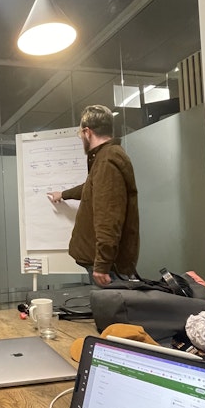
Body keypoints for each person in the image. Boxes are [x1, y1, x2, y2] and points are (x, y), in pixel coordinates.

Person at [48, 104, 139, 286]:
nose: (81, 137)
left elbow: (108, 217)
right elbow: (92, 188)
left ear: (87, 132)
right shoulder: (107, 157)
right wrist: (63, 194)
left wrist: (102, 264)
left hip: (108, 268)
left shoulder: (107, 161)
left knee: (109, 305)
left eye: (81, 134)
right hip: (107, 264)